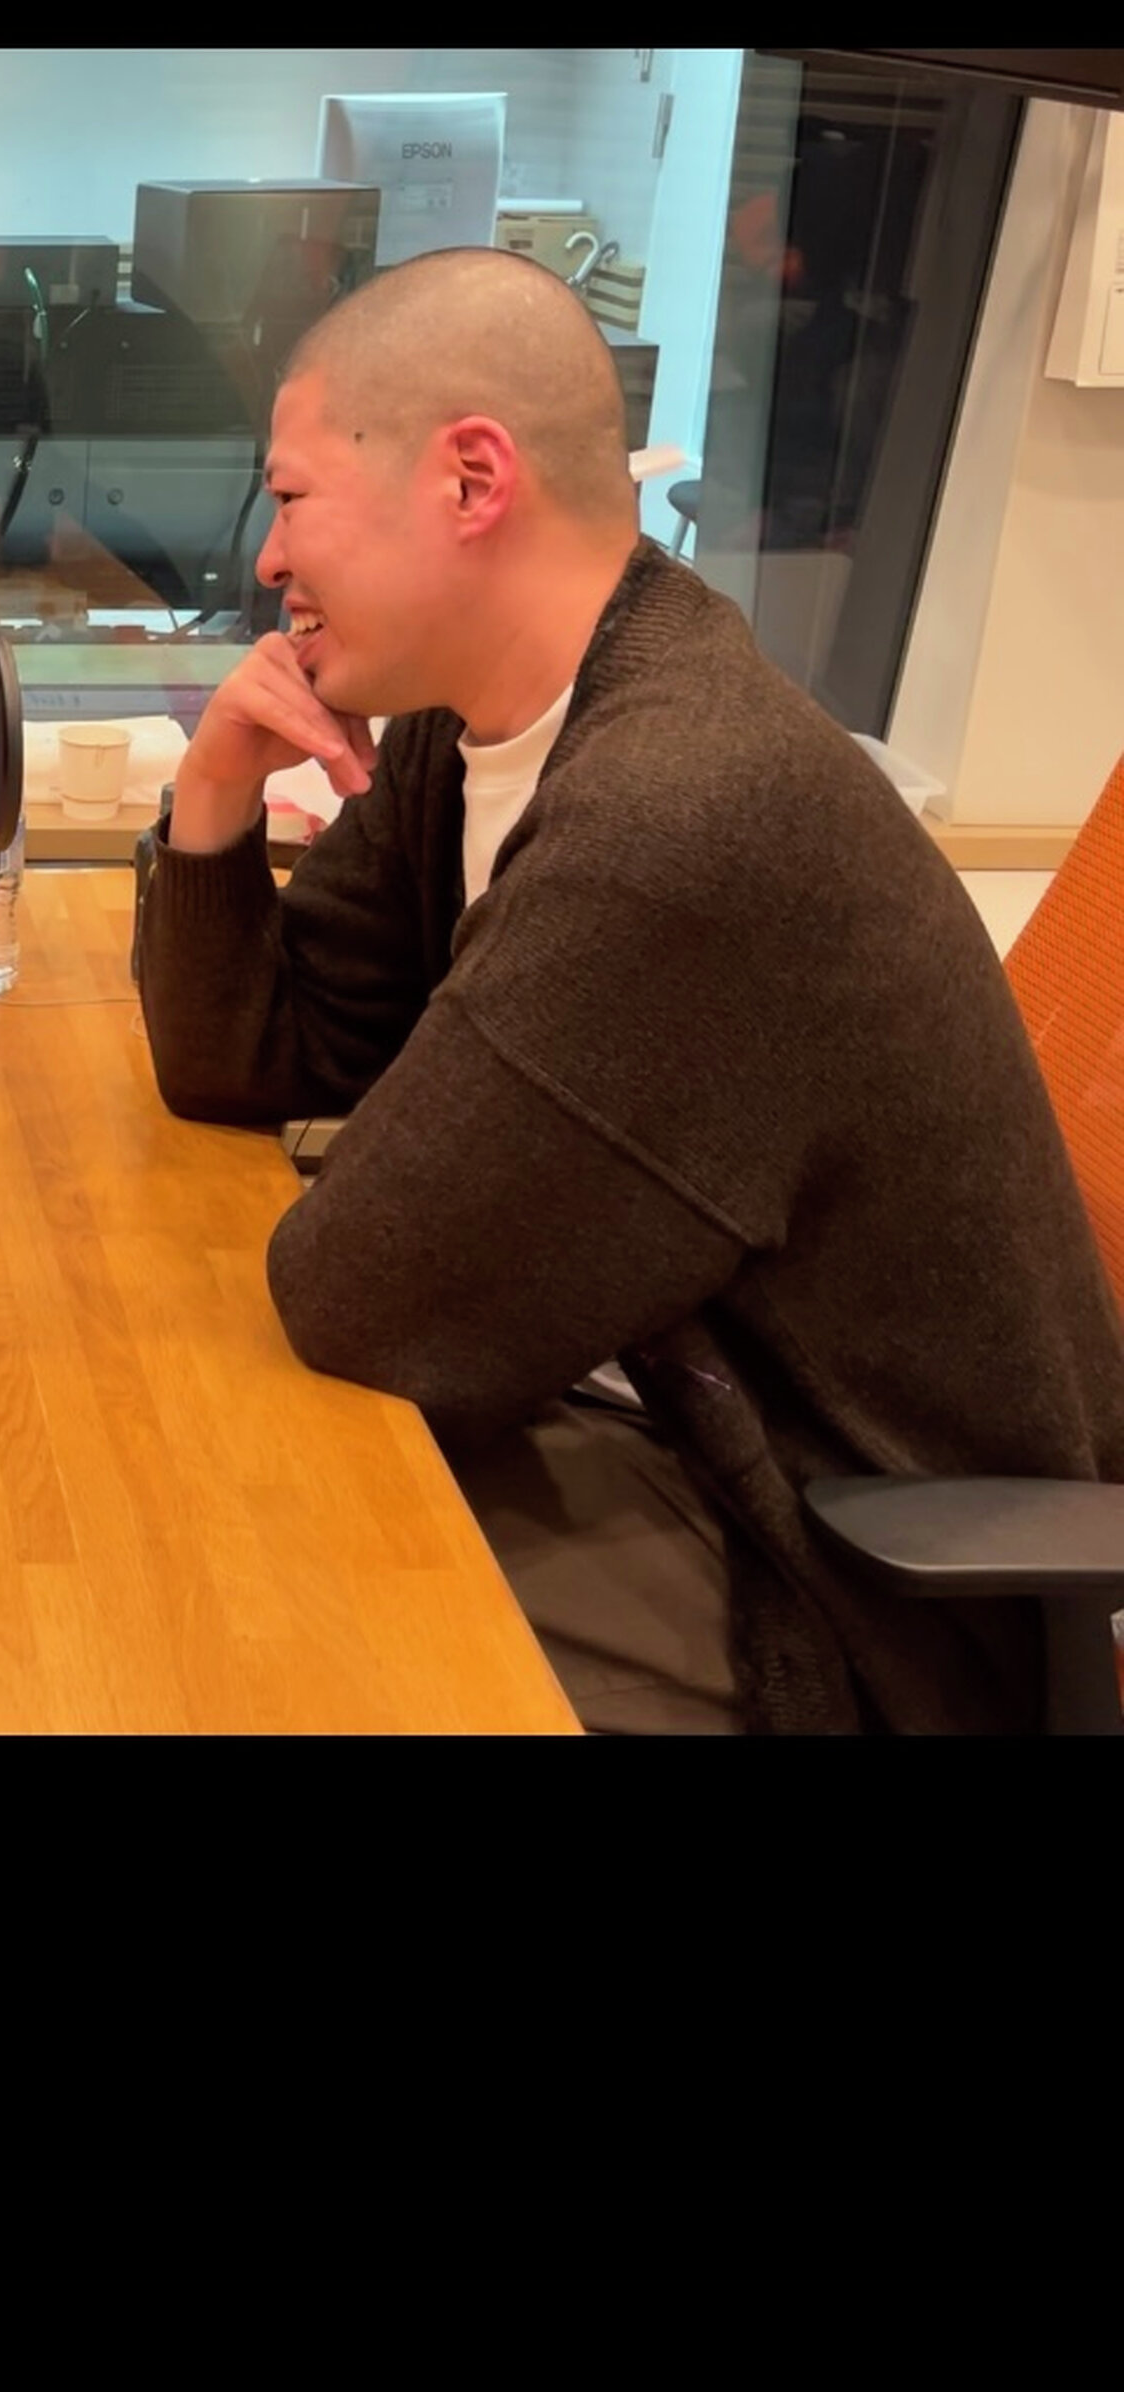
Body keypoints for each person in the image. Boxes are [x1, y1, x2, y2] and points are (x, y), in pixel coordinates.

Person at [133, 244, 1124, 1734]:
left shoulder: (678, 818)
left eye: (291, 497)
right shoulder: (472, 727)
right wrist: (212, 797)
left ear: (472, 480)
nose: (269, 562)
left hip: (841, 1586)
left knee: (234, 1588)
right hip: (663, 1413)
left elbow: (364, 1300)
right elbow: (263, 1057)